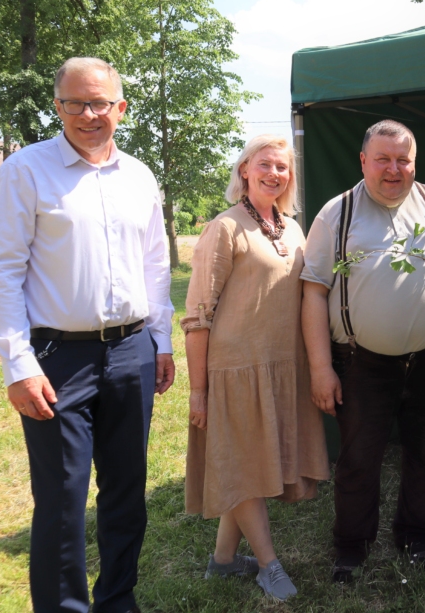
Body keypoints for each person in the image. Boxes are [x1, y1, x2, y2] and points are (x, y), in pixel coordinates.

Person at [0, 57, 175, 613]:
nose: (89, 114)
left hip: (132, 352)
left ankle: (117, 600)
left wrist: (160, 341)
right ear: (58, 106)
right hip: (57, 359)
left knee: (126, 492)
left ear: (121, 107)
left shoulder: (139, 176)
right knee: (63, 500)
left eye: (100, 103)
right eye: (75, 103)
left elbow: (155, 266)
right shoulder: (25, 172)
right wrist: (18, 364)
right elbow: (1, 272)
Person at [300, 119, 425, 583]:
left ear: (415, 162)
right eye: (383, 159)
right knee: (359, 459)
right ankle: (351, 548)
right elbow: (314, 291)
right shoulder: (336, 213)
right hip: (360, 362)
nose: (393, 169)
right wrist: (320, 368)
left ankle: (415, 538)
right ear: (363, 161)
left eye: (403, 160)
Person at [182, 134, 329, 600]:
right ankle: (269, 565)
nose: (274, 173)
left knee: (248, 463)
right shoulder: (224, 227)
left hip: (282, 365)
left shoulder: (294, 228)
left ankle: (224, 560)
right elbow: (198, 315)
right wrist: (199, 390)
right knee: (245, 464)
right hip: (237, 368)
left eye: (282, 167)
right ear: (245, 169)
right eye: (264, 164)